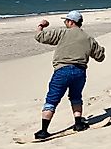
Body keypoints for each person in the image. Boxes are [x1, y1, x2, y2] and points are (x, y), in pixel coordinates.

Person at [33, 10, 106, 140]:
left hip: (62, 71)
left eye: (66, 21)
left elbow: (40, 37)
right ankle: (78, 123)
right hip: (79, 72)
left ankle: (44, 130)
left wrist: (41, 26)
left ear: (71, 22)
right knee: (76, 97)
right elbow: (100, 57)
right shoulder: (88, 38)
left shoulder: (62, 33)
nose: (65, 23)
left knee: (52, 99)